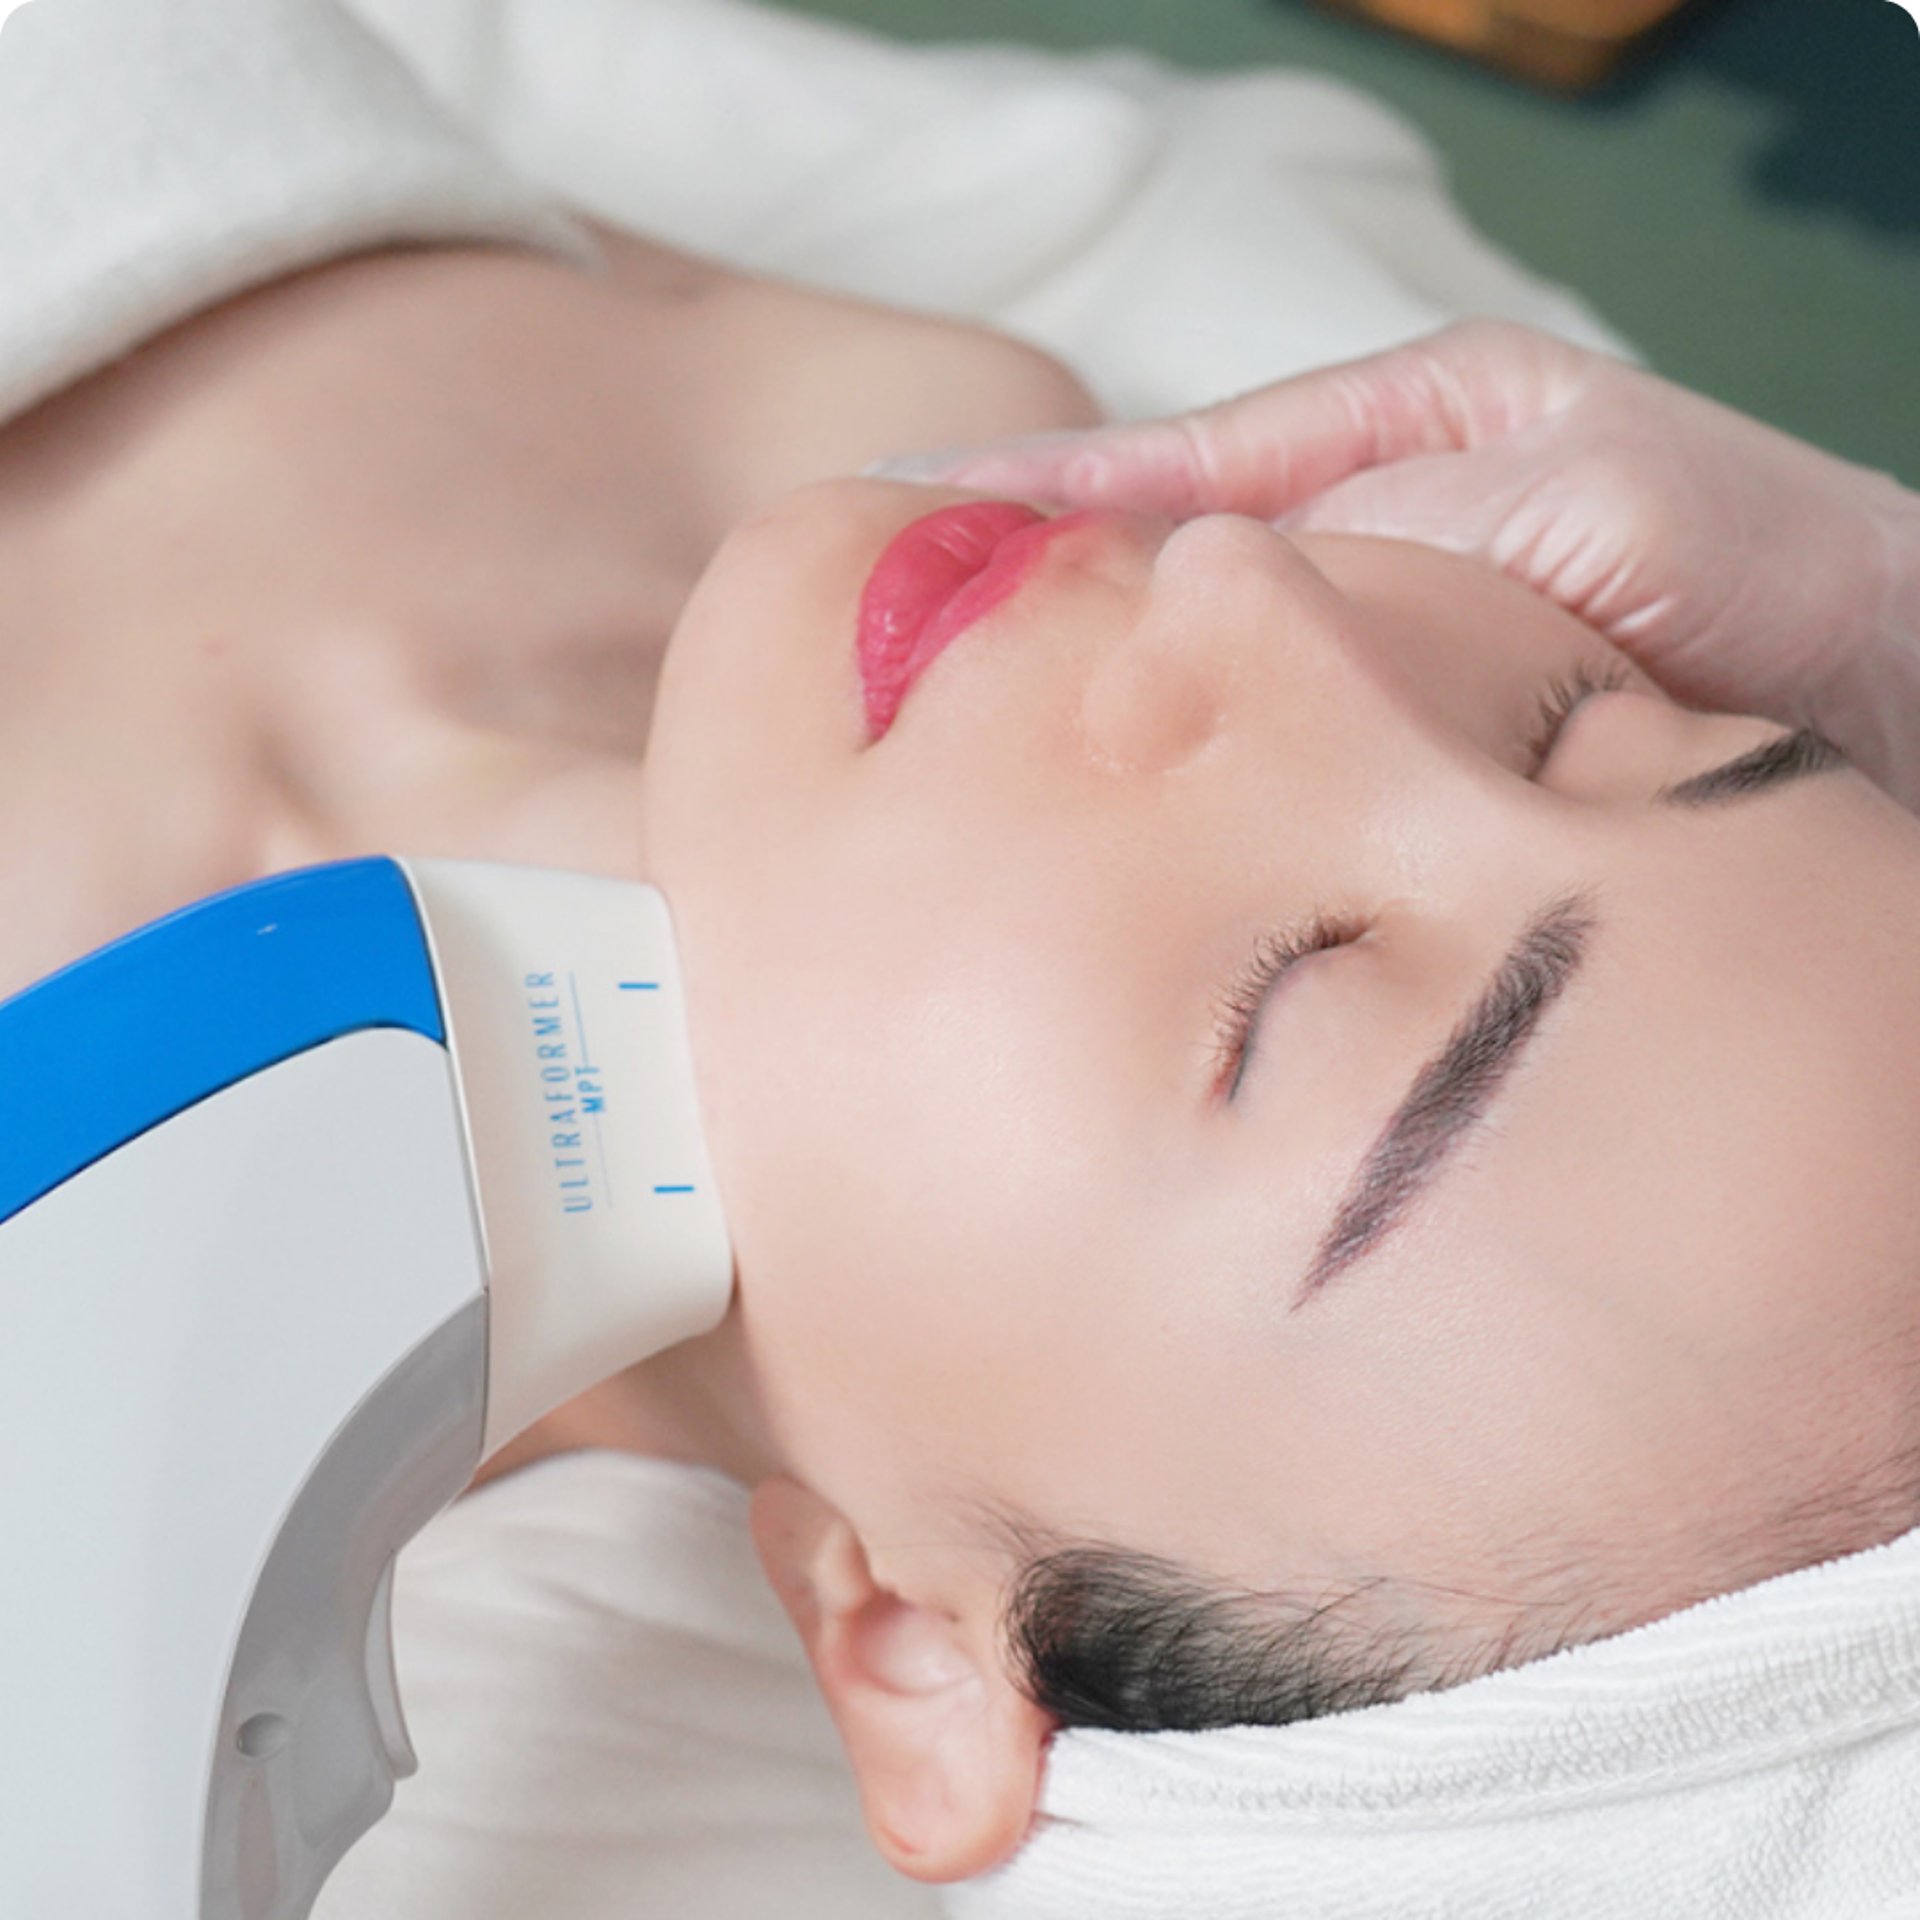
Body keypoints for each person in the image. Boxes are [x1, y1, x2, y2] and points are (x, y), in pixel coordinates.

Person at [11, 2, 1920, 1912]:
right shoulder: (1010, 377)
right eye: (1608, 728)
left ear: (918, 1649)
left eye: (1297, 992)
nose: (1256, 595)